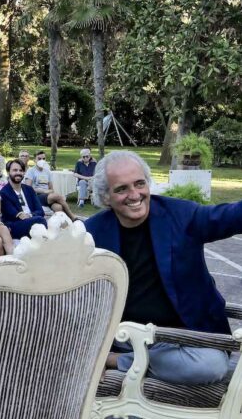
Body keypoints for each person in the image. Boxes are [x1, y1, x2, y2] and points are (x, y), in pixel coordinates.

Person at [86, 150, 241, 386]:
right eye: (121, 189)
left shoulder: (182, 215)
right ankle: (128, 356)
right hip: (127, 337)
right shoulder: (92, 232)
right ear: (106, 197)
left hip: (190, 337)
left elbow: (229, 216)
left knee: (212, 366)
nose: (134, 195)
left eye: (139, 184)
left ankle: (117, 362)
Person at [0, 159, 47, 239]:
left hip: (33, 219)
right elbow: (15, 215)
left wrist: (30, 215)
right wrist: (27, 216)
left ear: (24, 173)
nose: (18, 173)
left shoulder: (29, 189)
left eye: (21, 170)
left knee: (43, 221)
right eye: (15, 170)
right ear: (8, 172)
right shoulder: (4, 193)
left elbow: (40, 211)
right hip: (15, 225)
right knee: (41, 221)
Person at [24, 151, 77, 221]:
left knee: (58, 207)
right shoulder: (31, 171)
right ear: (35, 160)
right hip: (36, 196)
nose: (41, 160)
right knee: (57, 196)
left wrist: (48, 192)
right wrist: (43, 191)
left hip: (47, 197)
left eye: (43, 159)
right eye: (39, 159)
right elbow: (28, 188)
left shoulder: (47, 171)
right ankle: (72, 216)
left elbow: (51, 189)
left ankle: (64, 224)